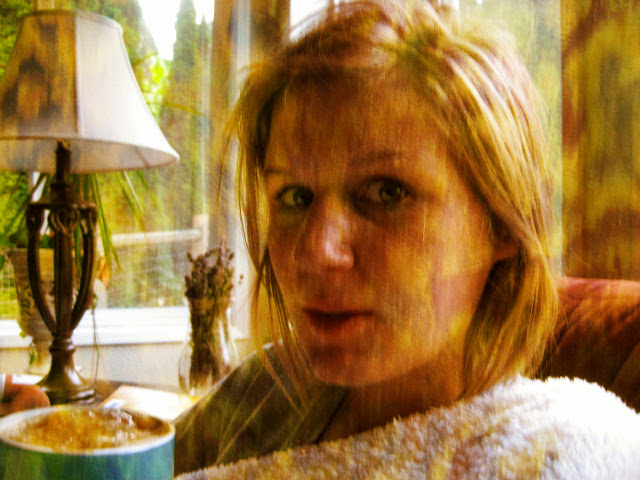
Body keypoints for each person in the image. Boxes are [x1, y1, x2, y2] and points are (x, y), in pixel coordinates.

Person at [174, 1, 640, 478]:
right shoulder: (259, 394)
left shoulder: (558, 456)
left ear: (501, 222)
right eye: (295, 196)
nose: (317, 251)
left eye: (387, 192)